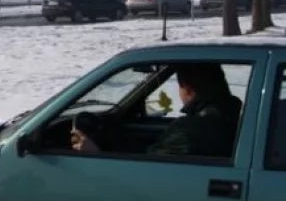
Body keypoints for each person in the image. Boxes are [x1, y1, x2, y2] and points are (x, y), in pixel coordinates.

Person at [71, 63, 241, 157]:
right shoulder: (231, 115)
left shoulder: (190, 130)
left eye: (179, 86)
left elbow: (147, 171)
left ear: (188, 89)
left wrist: (96, 154)